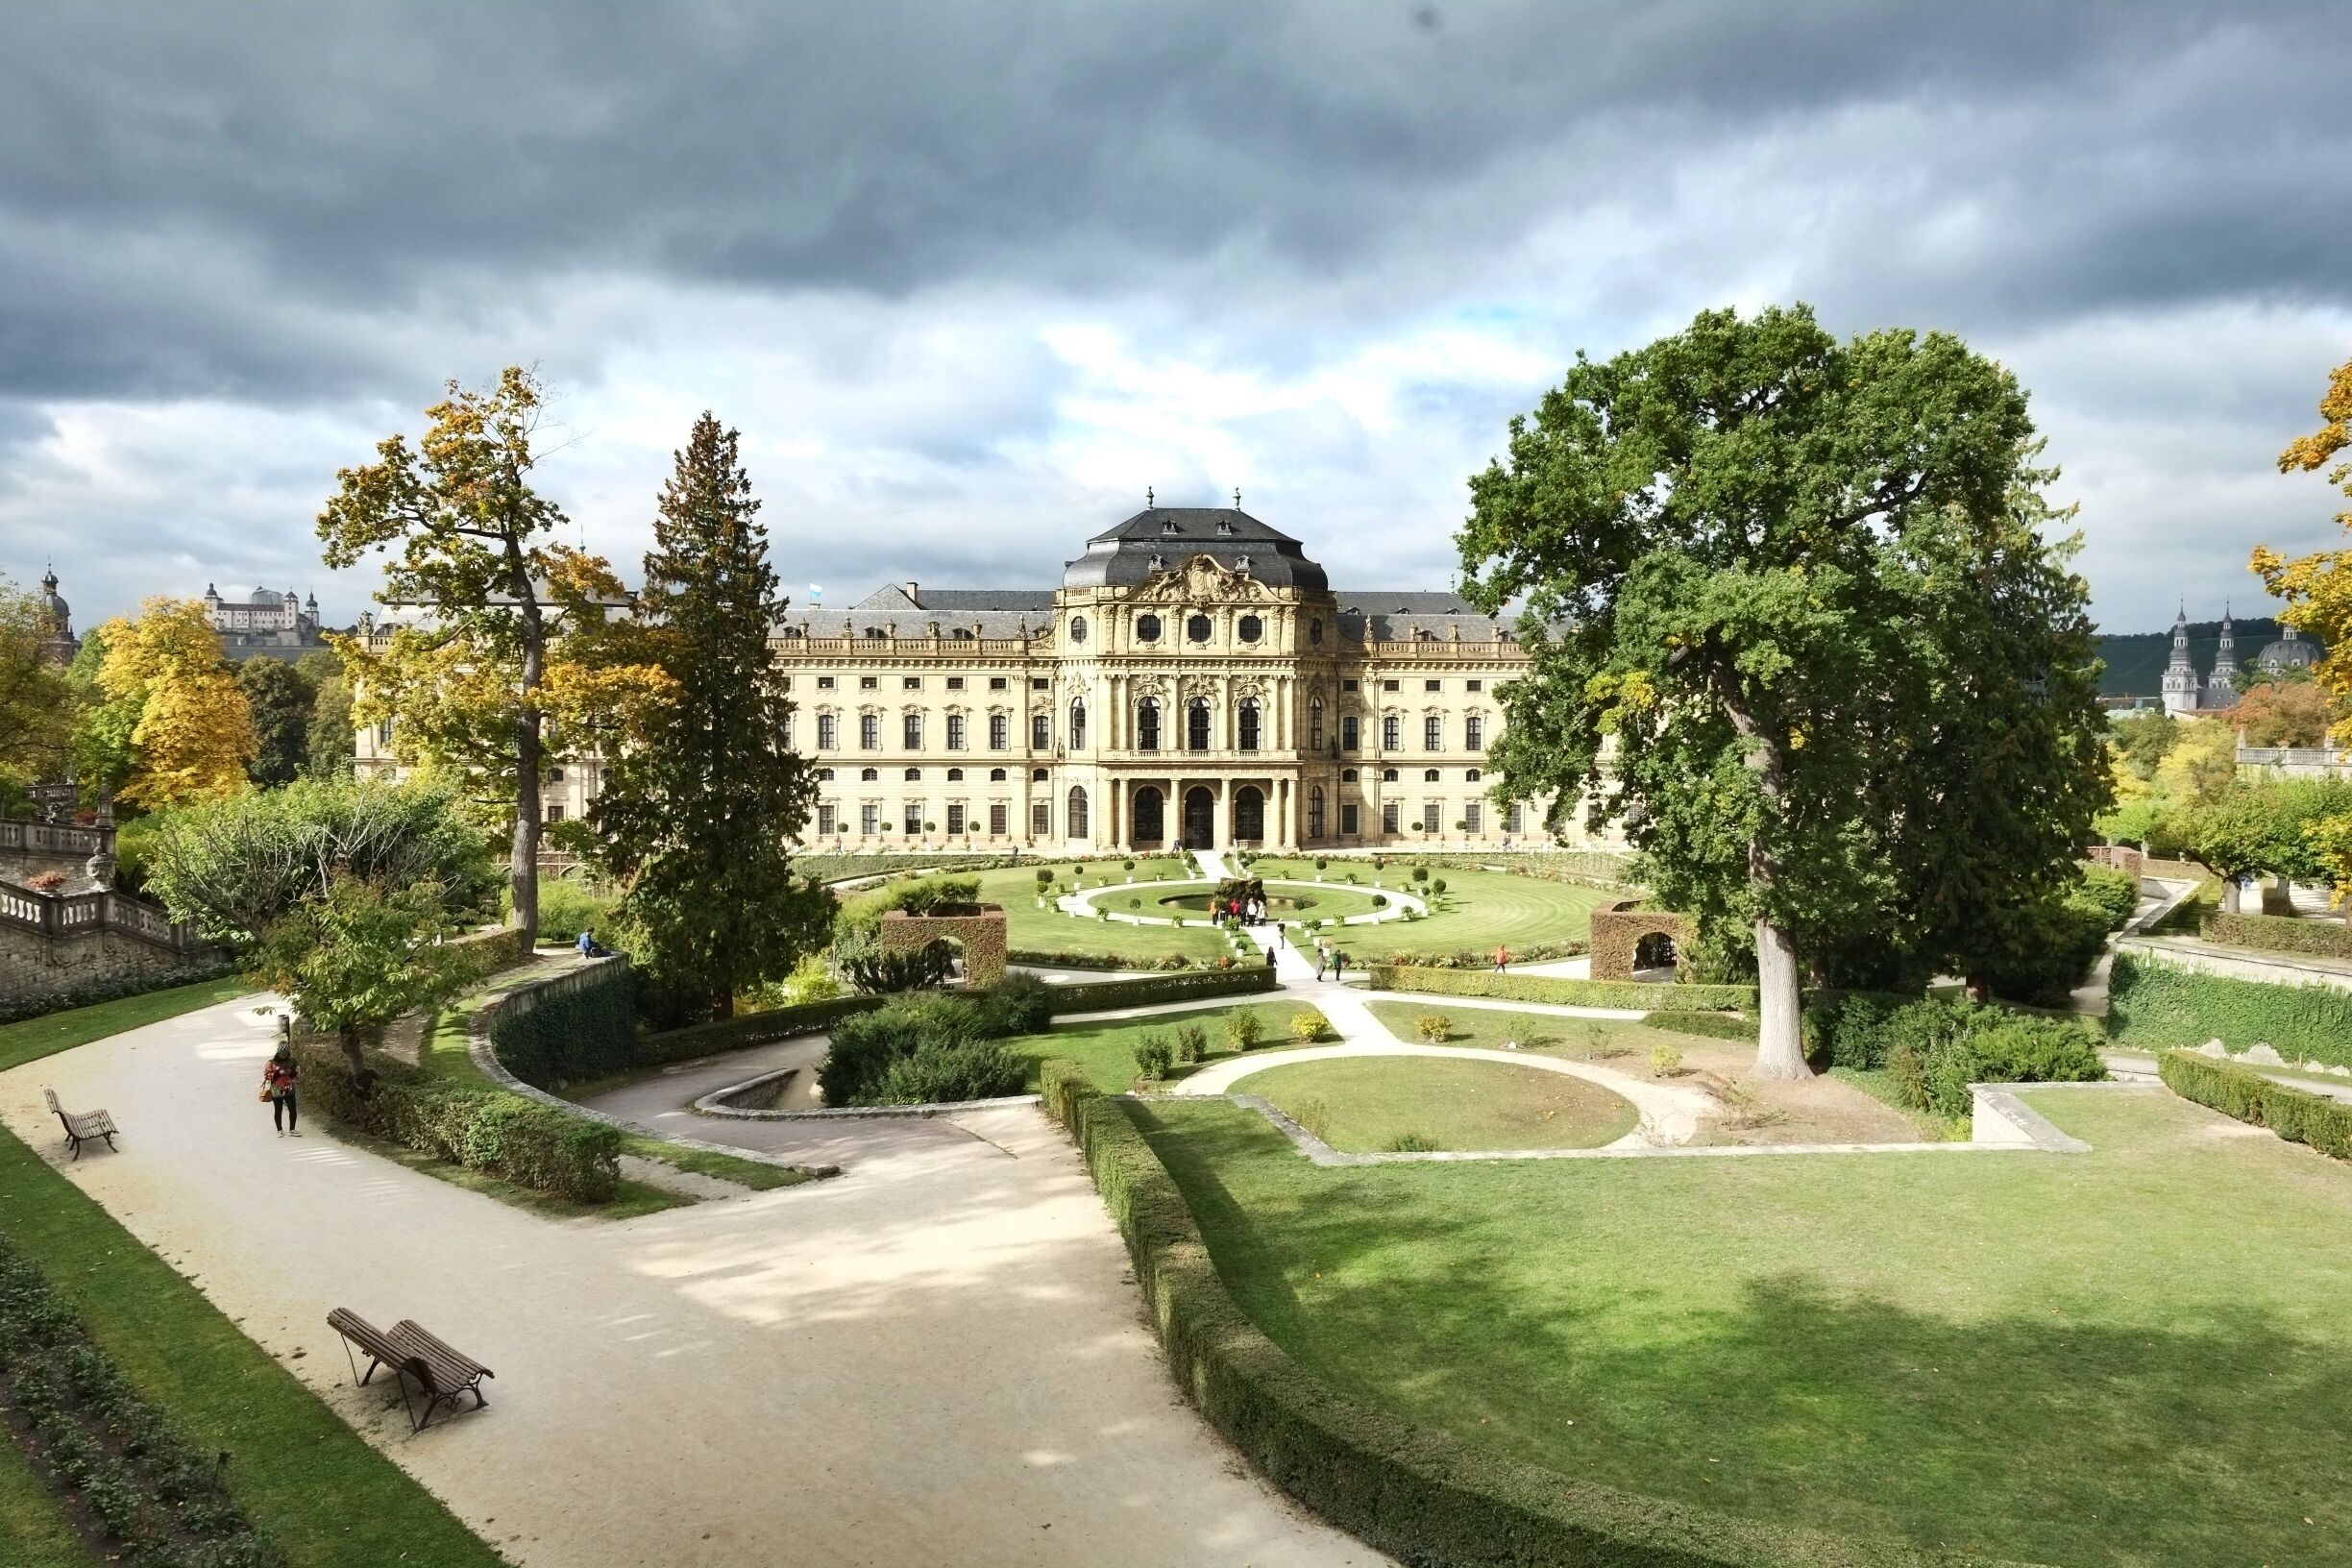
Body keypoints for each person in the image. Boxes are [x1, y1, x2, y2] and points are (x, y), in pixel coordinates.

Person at [262, 1046, 300, 1137]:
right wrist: (278, 1073)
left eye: (285, 1054)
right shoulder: (271, 1063)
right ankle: (279, 1130)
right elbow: (267, 1076)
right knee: (278, 1110)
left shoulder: (292, 1062)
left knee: (293, 1110)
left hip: (289, 1089)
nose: (284, 1056)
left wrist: (290, 1072)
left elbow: (297, 1073)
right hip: (276, 1090)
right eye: (282, 1054)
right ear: (278, 1053)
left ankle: (292, 1129)